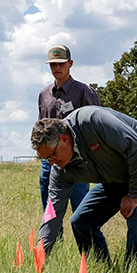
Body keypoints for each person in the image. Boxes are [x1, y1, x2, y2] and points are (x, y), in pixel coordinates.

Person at [31, 106, 137, 271]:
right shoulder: (60, 171)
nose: (51, 163)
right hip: (118, 175)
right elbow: (52, 214)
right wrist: (41, 255)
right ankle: (102, 272)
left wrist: (134, 194)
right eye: (45, 159)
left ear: (64, 139)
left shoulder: (93, 120)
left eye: (52, 155)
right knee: (81, 222)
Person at [37, 44, 101, 220]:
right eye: (53, 64)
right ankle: (53, 246)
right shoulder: (44, 95)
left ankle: (86, 246)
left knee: (81, 213)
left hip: (77, 162)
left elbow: (97, 124)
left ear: (70, 63)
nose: (57, 68)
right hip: (49, 163)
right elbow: (40, 128)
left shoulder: (84, 91)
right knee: (50, 213)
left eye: (61, 63)